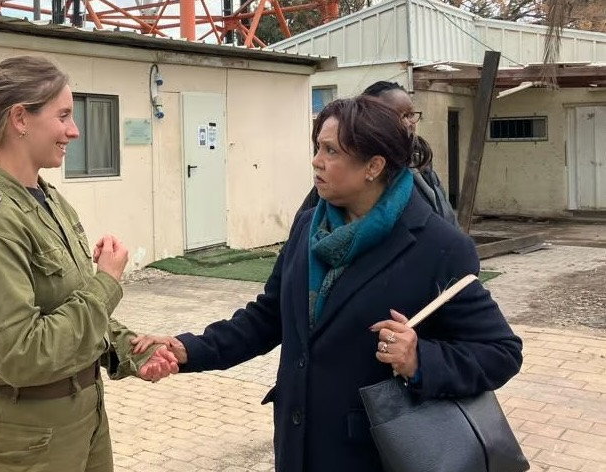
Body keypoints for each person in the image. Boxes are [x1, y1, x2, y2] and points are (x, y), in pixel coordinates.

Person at [133, 96, 522, 471]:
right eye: (317, 147)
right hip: (299, 447)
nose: (316, 161)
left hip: (374, 455)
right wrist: (188, 349)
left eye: (331, 151)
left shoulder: (438, 246)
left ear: (373, 166)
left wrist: (420, 359)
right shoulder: (309, 226)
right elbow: (269, 317)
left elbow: (501, 352)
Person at [0, 55, 178, 472]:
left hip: (83, 419)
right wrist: (107, 282)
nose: (75, 130)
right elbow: (21, 353)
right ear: (20, 118)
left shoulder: (50, 202)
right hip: (27, 442)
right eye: (63, 115)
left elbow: (72, 306)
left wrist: (131, 351)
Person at [296, 81, 458, 226]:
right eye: (397, 116)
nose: (408, 123)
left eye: (410, 115)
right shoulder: (328, 195)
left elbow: (446, 218)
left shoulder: (421, 166)